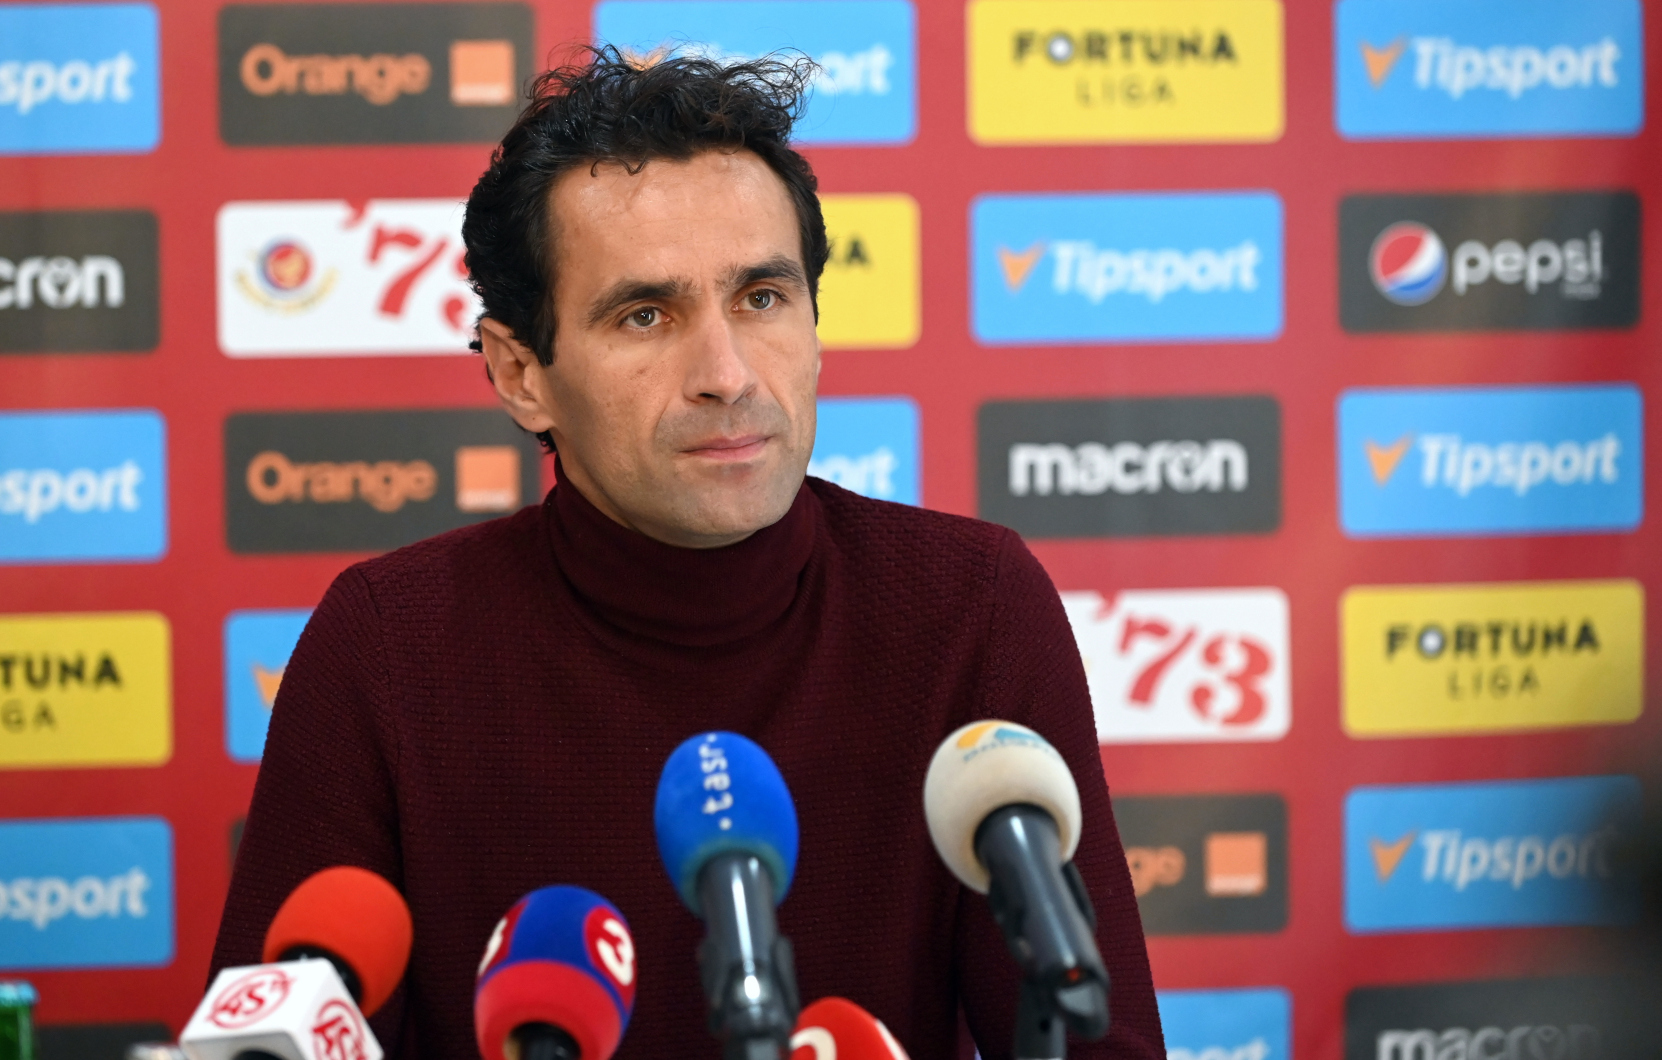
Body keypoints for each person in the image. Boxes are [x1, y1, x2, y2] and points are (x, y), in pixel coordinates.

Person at [211, 48, 1165, 1060]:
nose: (726, 373)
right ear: (521, 373)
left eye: (761, 298)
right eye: (646, 315)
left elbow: (1091, 1036)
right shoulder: (387, 647)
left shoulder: (970, 607)